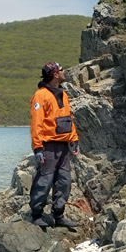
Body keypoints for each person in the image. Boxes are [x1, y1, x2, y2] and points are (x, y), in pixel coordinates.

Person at [29, 61, 79, 229]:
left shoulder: (63, 94)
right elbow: (37, 123)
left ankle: (58, 215)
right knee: (44, 180)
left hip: (63, 146)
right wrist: (38, 147)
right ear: (55, 74)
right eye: (62, 70)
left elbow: (68, 118)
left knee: (64, 181)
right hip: (48, 146)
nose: (65, 72)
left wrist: (74, 139)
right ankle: (36, 214)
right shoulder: (40, 95)